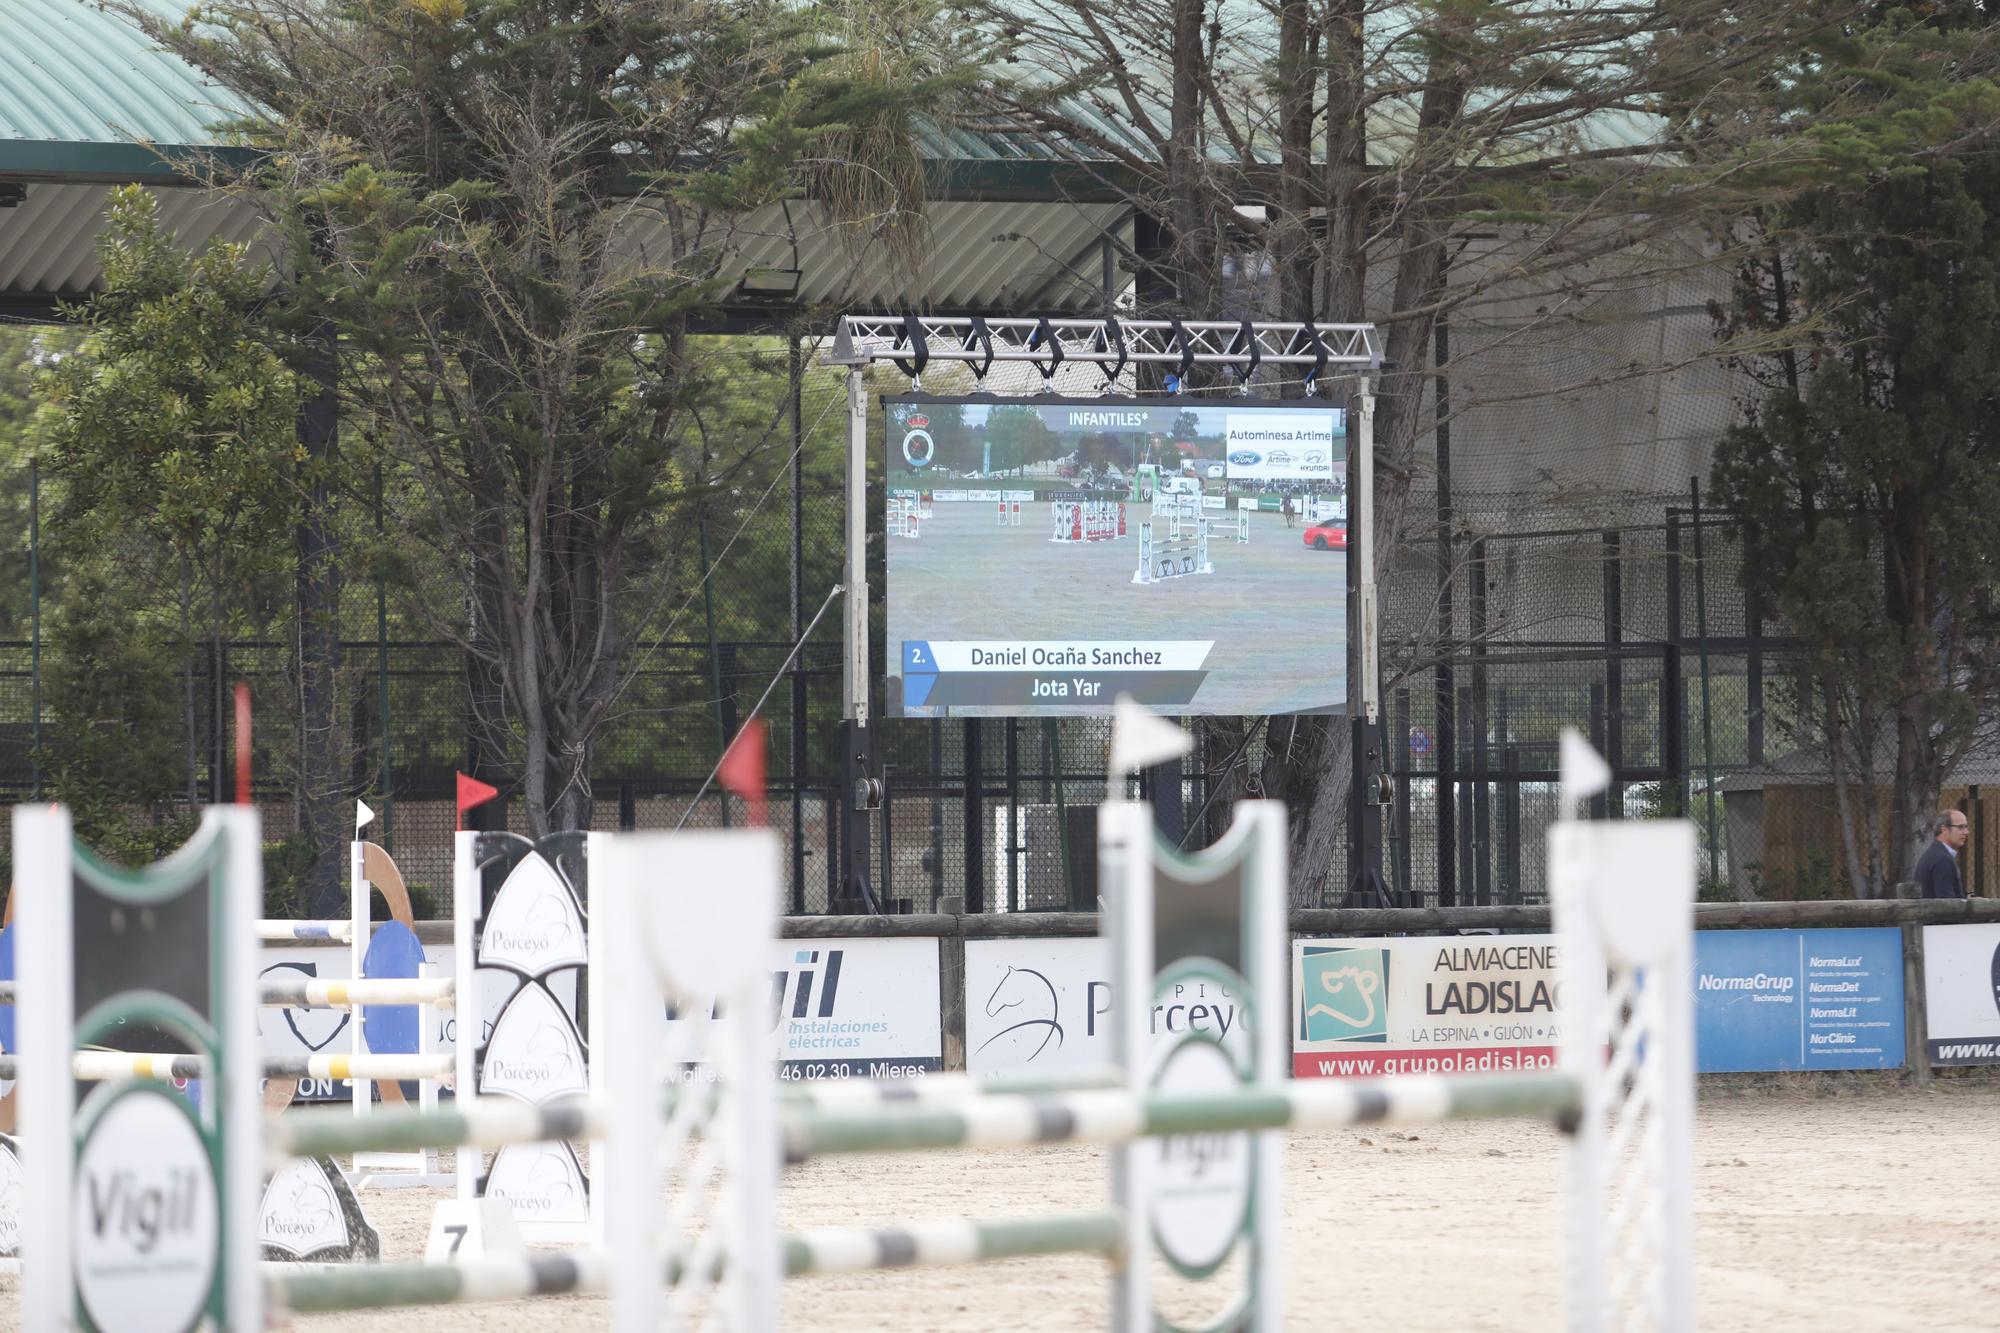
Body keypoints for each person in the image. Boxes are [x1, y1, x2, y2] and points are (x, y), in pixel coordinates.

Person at [1912, 809, 1970, 899]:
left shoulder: (1934, 854)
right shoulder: (1942, 860)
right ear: (1944, 829)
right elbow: (1947, 903)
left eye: (1966, 827)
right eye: (1960, 827)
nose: (1966, 832)